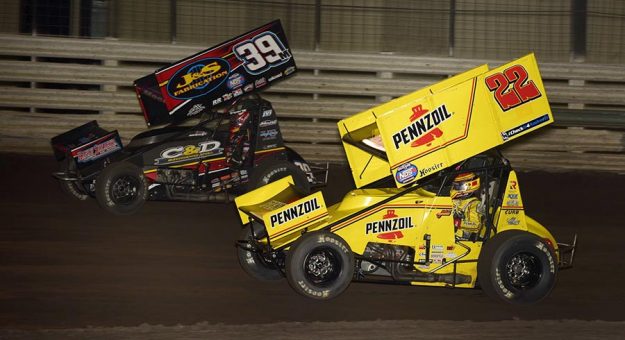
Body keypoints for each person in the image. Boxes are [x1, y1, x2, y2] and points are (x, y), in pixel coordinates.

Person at [450, 172, 484, 240]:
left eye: (457, 186)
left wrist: (458, 223)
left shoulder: (474, 203)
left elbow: (476, 226)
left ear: (469, 186)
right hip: (449, 233)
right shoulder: (455, 200)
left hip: (461, 238)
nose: (455, 188)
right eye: (454, 186)